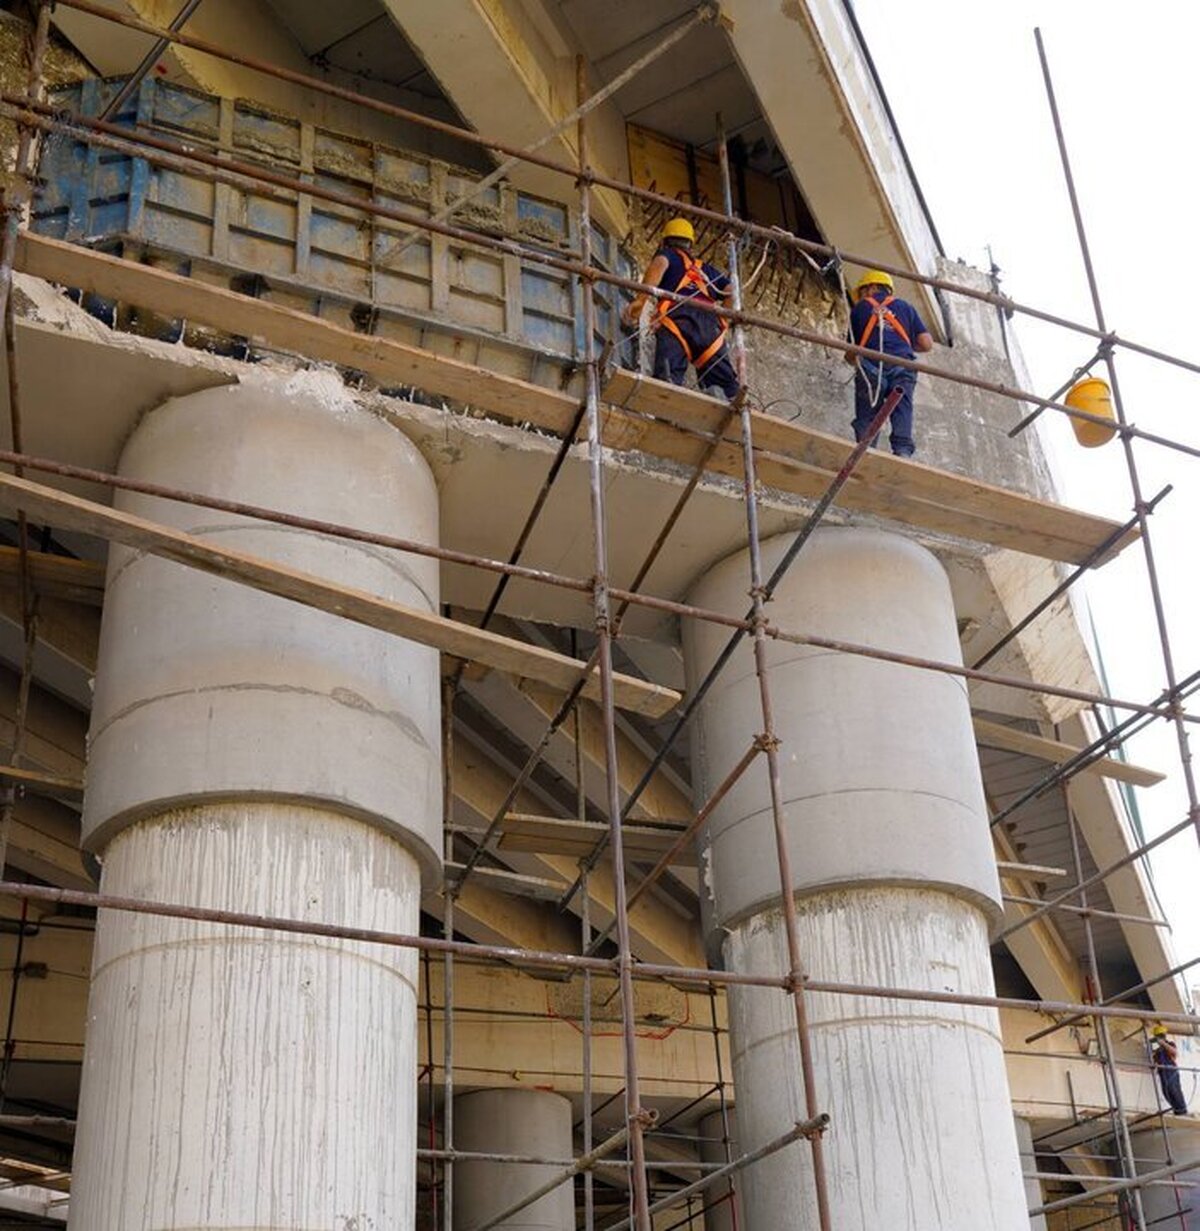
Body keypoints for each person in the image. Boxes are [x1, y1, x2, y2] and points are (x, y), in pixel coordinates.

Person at [623, 217, 741, 402]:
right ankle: (732, 403)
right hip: (709, 327)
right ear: (690, 244)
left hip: (678, 320)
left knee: (667, 378)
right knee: (726, 386)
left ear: (664, 241)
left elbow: (659, 264)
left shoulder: (667, 255)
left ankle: (664, 405)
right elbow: (731, 291)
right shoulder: (704, 269)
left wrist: (639, 301)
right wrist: (722, 320)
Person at [844, 268, 933, 457]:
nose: (860, 297)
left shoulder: (859, 309)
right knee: (901, 407)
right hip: (903, 364)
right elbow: (926, 344)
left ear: (872, 287)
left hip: (871, 365)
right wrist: (904, 345)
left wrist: (850, 361)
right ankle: (902, 452)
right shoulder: (906, 307)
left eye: (861, 292)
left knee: (867, 414)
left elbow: (852, 351)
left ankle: (866, 451)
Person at [1151, 1024, 1189, 1115]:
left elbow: (1174, 1052)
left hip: (1171, 1071)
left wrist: (1163, 1043)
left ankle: (1182, 1110)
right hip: (1162, 1072)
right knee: (1166, 1092)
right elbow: (1155, 1060)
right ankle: (1176, 1110)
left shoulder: (1170, 1044)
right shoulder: (1157, 1049)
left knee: (1174, 1090)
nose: (1160, 1037)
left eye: (1161, 1036)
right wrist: (1154, 1065)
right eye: (1158, 1036)